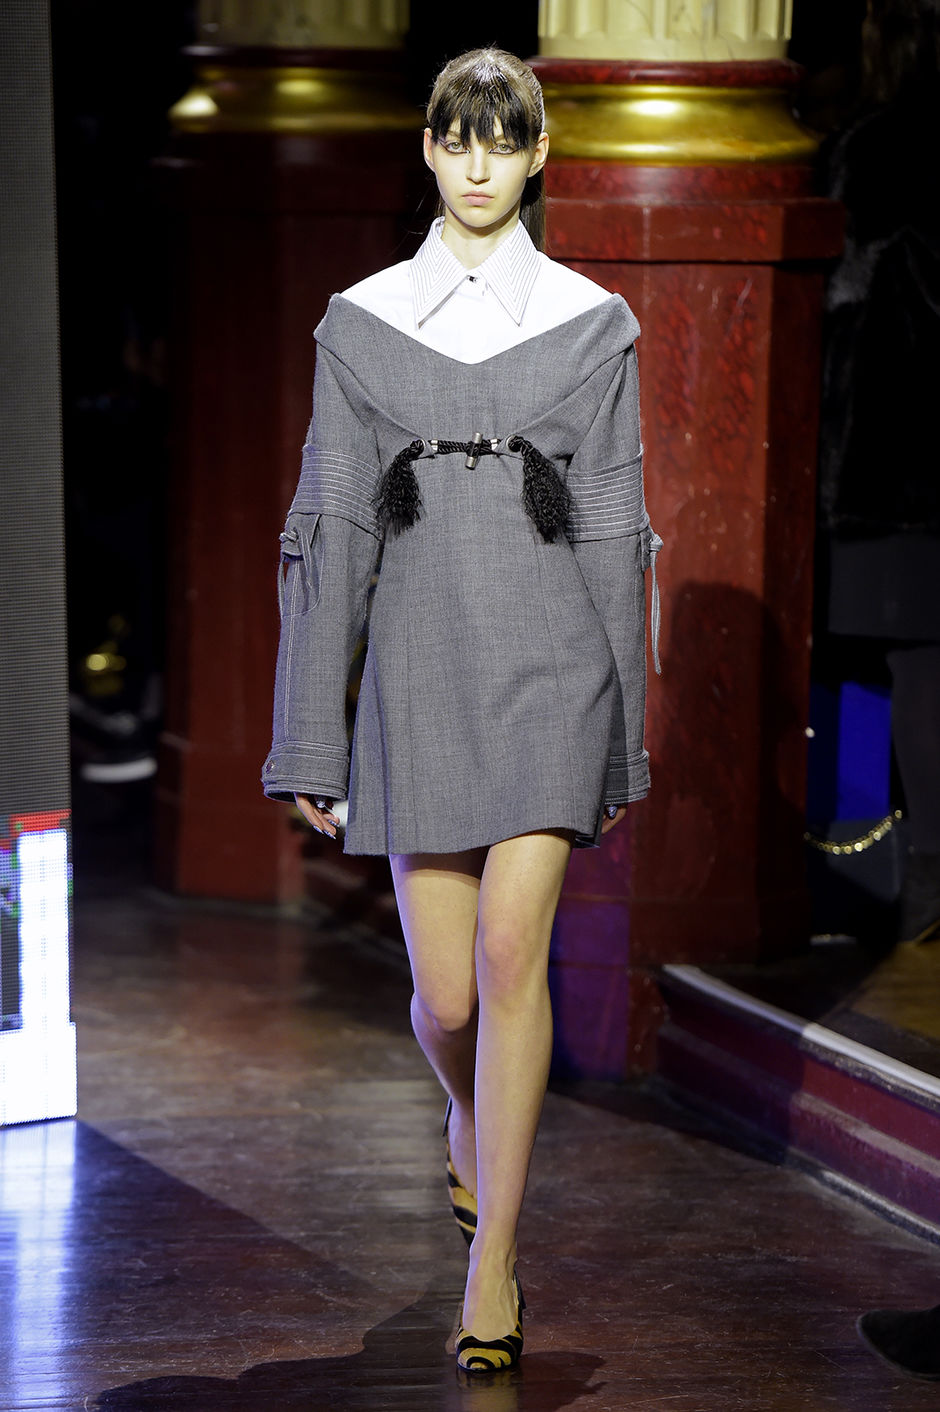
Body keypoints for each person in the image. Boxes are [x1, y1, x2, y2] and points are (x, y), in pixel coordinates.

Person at [262, 47, 661, 1374]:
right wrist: (310, 732)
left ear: (539, 156)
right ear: (429, 150)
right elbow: (330, 529)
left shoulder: (592, 325)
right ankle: (464, 1121)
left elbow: (612, 528)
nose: (480, 165)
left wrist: (622, 737)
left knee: (506, 954)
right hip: (422, 670)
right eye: (458, 139)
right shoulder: (362, 324)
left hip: (554, 671)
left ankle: (494, 1265)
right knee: (442, 996)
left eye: (505, 141)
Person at [817, 0, 940, 944]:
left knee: (873, 664)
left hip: (887, 461)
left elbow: (839, 304)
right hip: (910, 465)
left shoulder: (879, 149)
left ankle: (876, 872)